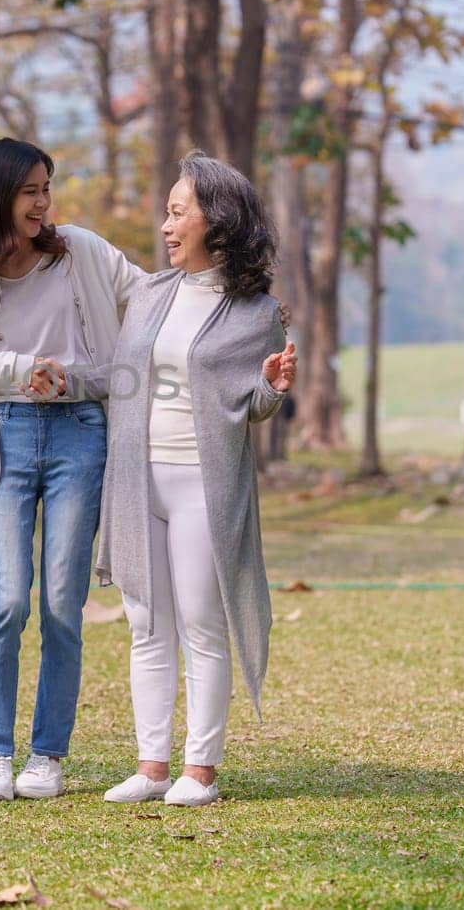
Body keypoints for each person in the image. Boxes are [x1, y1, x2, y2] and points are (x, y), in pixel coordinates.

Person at [0, 137, 146, 800]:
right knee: (6, 599)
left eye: (46, 188)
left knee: (60, 603)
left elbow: (151, 297)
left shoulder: (79, 250)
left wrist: (226, 302)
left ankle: (47, 756)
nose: (43, 203)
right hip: (8, 436)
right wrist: (22, 369)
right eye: (30, 190)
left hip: (82, 435)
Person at [95, 152, 298, 808]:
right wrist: (65, 378)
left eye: (179, 212)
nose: (166, 224)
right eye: (168, 211)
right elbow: (122, 376)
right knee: (146, 622)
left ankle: (200, 771)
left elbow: (250, 404)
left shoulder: (257, 311)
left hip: (202, 487)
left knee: (202, 626)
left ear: (220, 221)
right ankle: (152, 767)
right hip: (135, 481)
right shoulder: (152, 294)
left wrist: (270, 388)